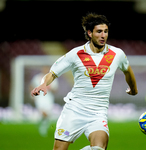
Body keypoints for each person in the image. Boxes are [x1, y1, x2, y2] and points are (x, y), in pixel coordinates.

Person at [31, 13, 138, 150]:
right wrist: (43, 84)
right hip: (74, 110)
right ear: (89, 33)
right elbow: (52, 73)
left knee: (99, 148)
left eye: (105, 31)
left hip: (98, 113)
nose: (103, 35)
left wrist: (133, 89)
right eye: (99, 31)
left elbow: (127, 70)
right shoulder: (76, 54)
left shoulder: (117, 54)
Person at [30, 66, 58, 137]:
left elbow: (55, 90)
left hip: (49, 98)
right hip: (39, 98)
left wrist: (50, 88)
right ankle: (42, 127)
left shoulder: (52, 78)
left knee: (47, 115)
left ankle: (42, 126)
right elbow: (31, 86)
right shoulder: (37, 78)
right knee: (44, 113)